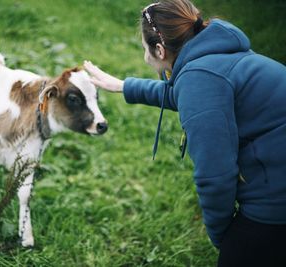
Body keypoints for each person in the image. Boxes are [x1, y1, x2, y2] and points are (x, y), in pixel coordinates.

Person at [84, 0, 286, 266]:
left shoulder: (200, 78)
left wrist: (223, 236)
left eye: (145, 49)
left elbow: (215, 175)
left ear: (159, 49)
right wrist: (123, 86)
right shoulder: (217, 55)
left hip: (275, 200)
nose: (145, 58)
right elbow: (191, 93)